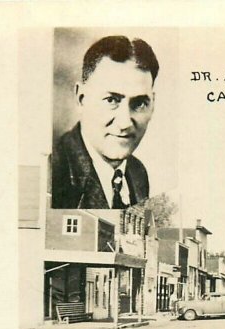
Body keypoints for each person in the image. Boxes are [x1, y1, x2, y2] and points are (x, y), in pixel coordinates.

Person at [51, 35, 159, 209]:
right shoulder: (54, 173)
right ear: (81, 98)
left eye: (139, 103)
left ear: (152, 104)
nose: (125, 123)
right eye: (111, 100)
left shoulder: (137, 172)